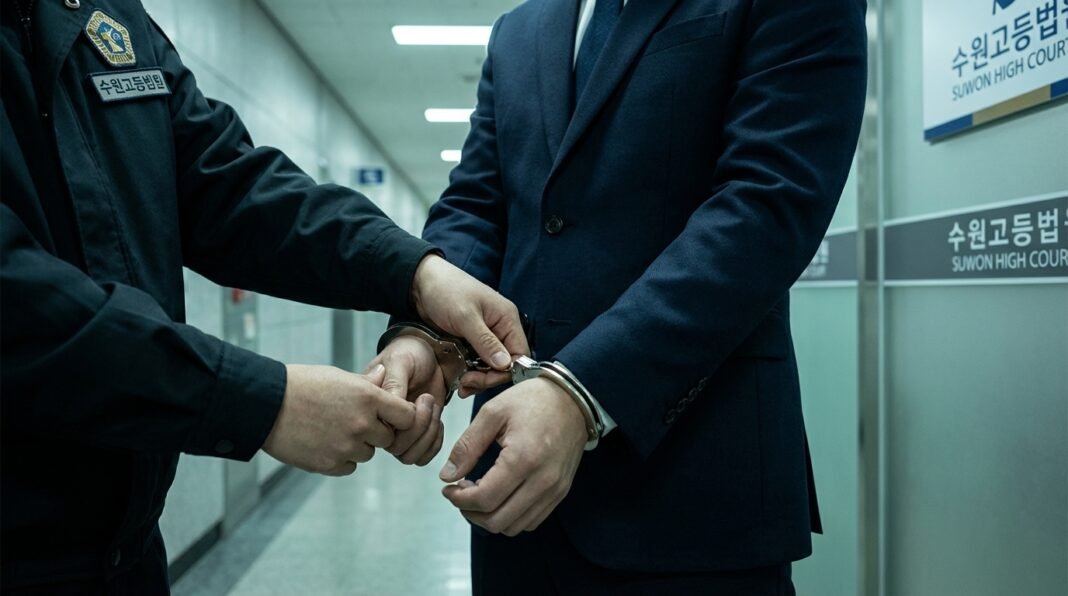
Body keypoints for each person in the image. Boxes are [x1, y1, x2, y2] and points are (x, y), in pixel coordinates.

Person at [0, 0, 526, 592]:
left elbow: (230, 187)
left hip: (124, 554)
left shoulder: (103, 16)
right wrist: (263, 402)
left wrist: (415, 272)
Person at [424, 0, 868, 593]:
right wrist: (426, 330)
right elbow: (477, 206)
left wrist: (581, 391)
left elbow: (767, 204)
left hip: (692, 496)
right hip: (513, 492)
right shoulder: (519, 29)